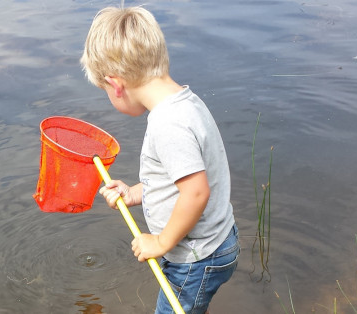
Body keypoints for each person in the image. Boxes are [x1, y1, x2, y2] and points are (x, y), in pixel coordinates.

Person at [80, 6, 239, 314]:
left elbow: (196, 192)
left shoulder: (169, 124)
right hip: (217, 243)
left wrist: (161, 243)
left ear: (116, 85)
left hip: (196, 259)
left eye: (105, 92)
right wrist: (133, 193)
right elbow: (174, 182)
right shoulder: (185, 103)